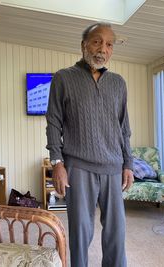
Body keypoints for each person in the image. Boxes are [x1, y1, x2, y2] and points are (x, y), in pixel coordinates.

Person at [46, 22, 134, 267]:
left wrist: (128, 163)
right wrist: (57, 163)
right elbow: (53, 123)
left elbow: (124, 128)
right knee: (80, 230)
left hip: (114, 167)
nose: (102, 49)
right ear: (84, 45)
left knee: (116, 232)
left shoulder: (119, 83)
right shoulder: (63, 78)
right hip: (78, 167)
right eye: (97, 41)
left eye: (108, 44)